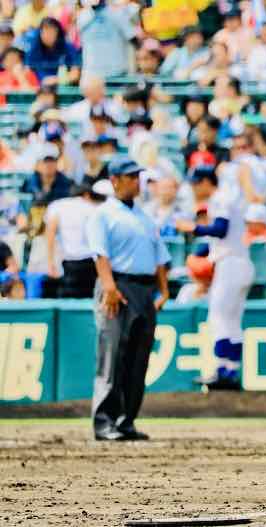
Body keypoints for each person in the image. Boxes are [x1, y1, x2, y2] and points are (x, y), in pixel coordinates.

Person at [86, 156, 171, 441]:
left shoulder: (144, 217)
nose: (136, 181)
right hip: (117, 287)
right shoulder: (104, 214)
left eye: (137, 176)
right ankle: (104, 421)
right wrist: (109, 287)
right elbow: (101, 254)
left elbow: (159, 257)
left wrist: (164, 289)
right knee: (112, 357)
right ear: (115, 180)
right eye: (131, 176)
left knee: (138, 359)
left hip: (144, 290)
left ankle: (126, 420)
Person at [176, 165, 254, 390]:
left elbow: (220, 229)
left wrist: (193, 228)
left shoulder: (221, 198)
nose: (193, 188)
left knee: (218, 317)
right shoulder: (225, 198)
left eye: (196, 183)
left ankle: (222, 370)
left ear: (207, 182)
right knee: (232, 321)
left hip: (230, 264)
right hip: (240, 262)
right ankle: (231, 370)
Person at [45, 181, 108, 298]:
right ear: (86, 195)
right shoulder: (95, 208)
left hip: (69, 263)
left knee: (68, 301)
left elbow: (50, 232)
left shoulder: (57, 206)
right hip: (91, 262)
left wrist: (50, 261)